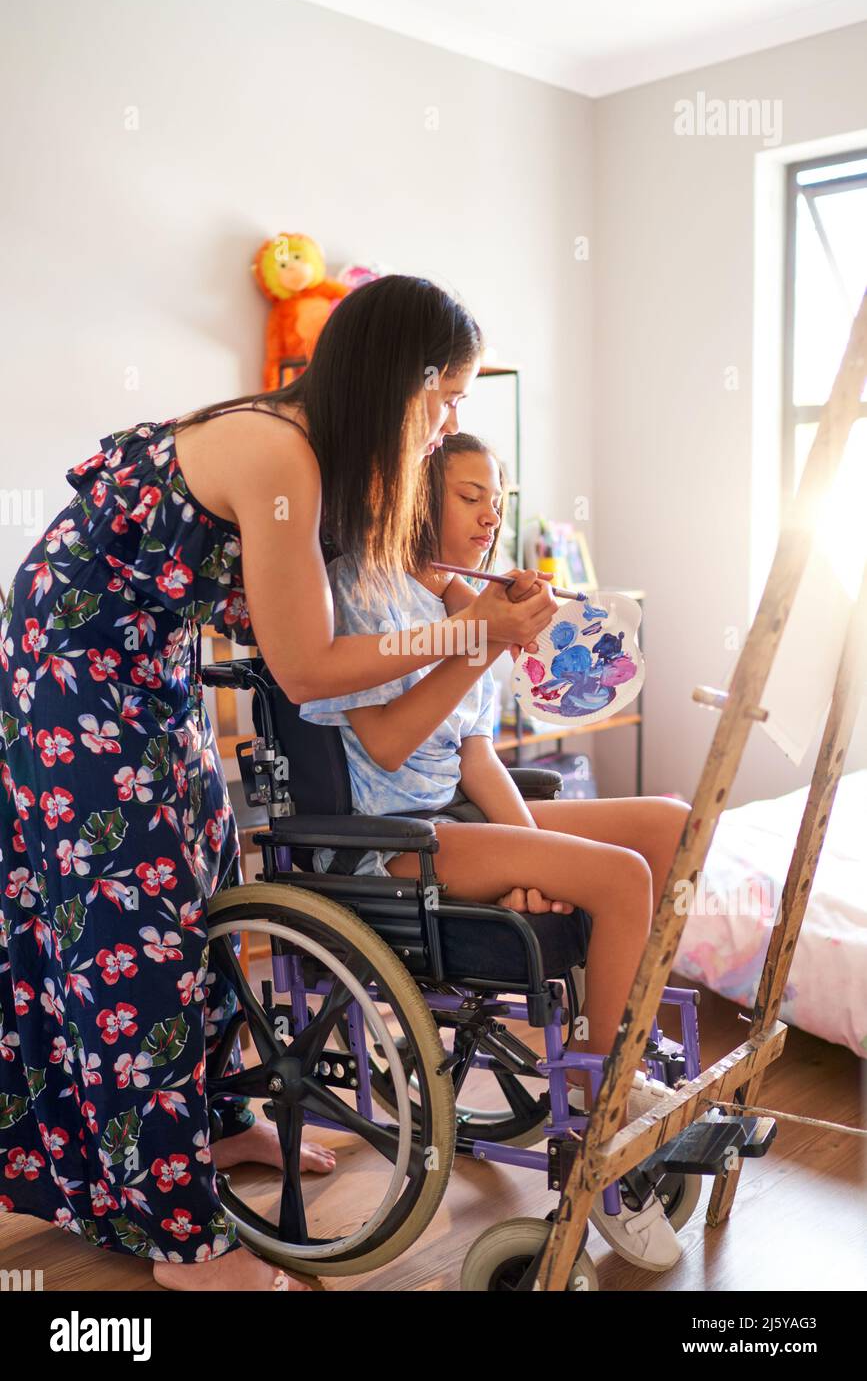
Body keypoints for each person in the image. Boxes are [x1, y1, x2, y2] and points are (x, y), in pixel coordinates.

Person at [0, 276, 559, 1293]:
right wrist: (474, 632)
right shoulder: (278, 452)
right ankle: (181, 1239)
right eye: (448, 399)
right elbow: (307, 669)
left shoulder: (309, 460)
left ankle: (222, 1122)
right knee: (133, 938)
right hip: (73, 667)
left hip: (144, 662)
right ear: (404, 381)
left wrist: (463, 608)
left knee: (207, 883)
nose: (450, 426)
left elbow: (333, 631)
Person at [301, 431, 693, 1271]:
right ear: (419, 501)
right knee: (621, 877)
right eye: (470, 496)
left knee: (670, 821)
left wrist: (523, 854)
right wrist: (475, 637)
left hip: (460, 824)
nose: (490, 517)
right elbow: (397, 748)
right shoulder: (363, 593)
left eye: (499, 499)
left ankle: (616, 1032)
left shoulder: (461, 598)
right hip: (393, 839)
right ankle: (604, 1099)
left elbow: (478, 758)